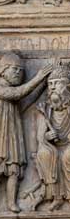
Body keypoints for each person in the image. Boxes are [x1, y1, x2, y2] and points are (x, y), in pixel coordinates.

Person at [0, 53, 51, 213]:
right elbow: (19, 93)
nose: (18, 73)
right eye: (14, 69)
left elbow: (27, 100)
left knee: (13, 169)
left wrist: (44, 82)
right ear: (3, 71)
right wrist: (39, 76)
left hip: (12, 135)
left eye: (21, 70)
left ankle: (11, 203)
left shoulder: (12, 96)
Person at [35, 62, 70, 210]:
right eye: (50, 84)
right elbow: (39, 136)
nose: (53, 87)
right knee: (45, 154)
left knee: (68, 156)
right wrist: (47, 136)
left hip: (68, 145)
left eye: (57, 83)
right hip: (53, 146)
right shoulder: (46, 110)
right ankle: (56, 197)